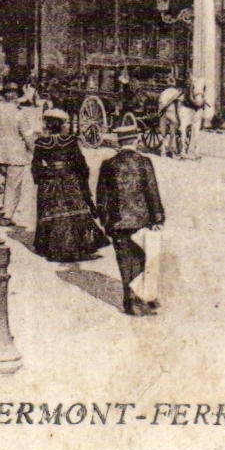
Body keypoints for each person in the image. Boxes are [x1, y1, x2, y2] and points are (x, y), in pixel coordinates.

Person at [96, 129, 166, 316]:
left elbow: (102, 196)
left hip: (118, 224)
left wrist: (105, 221)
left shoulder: (108, 164)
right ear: (136, 141)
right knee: (143, 260)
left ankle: (131, 303)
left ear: (119, 142)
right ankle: (145, 298)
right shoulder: (144, 162)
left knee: (125, 262)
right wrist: (158, 217)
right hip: (142, 222)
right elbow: (152, 191)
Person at [31, 109, 108, 262]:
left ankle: (52, 247)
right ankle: (79, 246)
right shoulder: (70, 141)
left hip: (50, 181)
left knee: (51, 211)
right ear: (61, 125)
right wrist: (82, 178)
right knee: (75, 210)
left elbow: (36, 165)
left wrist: (42, 177)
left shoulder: (41, 143)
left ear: (47, 124)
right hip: (69, 179)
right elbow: (80, 163)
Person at [0, 83, 38, 228]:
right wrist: (35, 152)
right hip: (15, 155)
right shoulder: (19, 112)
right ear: (16, 96)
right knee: (13, 187)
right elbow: (27, 136)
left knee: (0, 183)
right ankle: (6, 216)